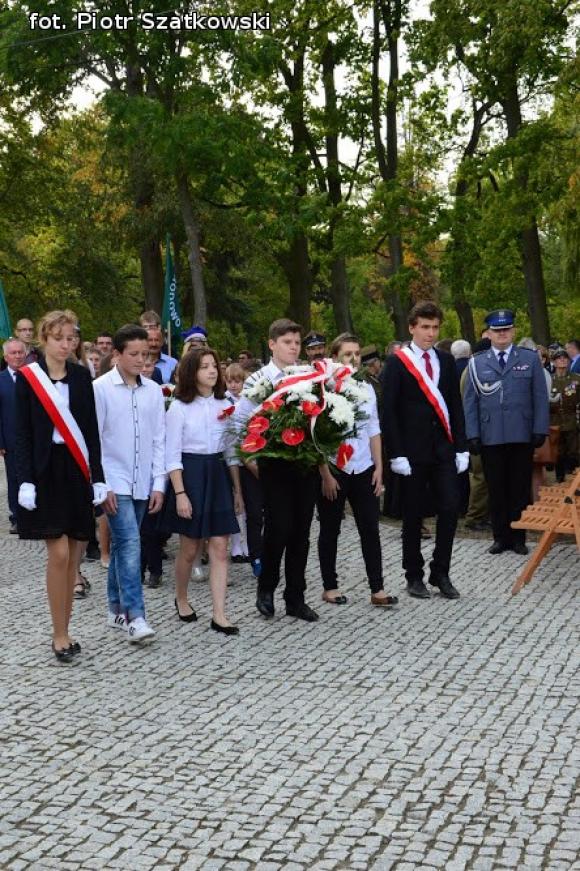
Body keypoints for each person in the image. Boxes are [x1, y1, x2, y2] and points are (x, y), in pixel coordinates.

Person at [14, 310, 107, 662]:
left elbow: (91, 431)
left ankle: (67, 628)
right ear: (44, 339)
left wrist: (97, 476)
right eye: (59, 338)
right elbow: (21, 432)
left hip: (76, 468)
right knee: (59, 553)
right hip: (44, 470)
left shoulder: (83, 378)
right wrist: (24, 480)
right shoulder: (28, 379)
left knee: (76, 554)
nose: (66, 345)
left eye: (71, 338)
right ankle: (58, 634)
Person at [382, 301, 468, 600]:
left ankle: (440, 571)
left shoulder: (445, 361)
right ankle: (413, 575)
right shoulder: (397, 363)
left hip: (443, 448)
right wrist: (396, 453)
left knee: (450, 507)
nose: (430, 333)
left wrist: (461, 446)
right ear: (412, 328)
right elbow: (388, 410)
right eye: (425, 327)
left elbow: (454, 405)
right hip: (412, 451)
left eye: (435, 327)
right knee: (413, 513)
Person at [235, 318, 320, 622]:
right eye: (287, 342)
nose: (293, 348)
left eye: (297, 343)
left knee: (301, 532)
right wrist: (250, 460)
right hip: (274, 464)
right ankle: (266, 588)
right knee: (278, 529)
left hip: (305, 464)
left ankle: (296, 597)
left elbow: (321, 419)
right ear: (272, 344)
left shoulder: (311, 376)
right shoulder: (258, 380)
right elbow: (241, 423)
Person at [93, 324, 166, 644]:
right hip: (114, 478)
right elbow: (93, 439)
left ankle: (114, 608)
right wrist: (100, 483)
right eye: (133, 354)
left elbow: (159, 439)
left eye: (145, 355)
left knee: (125, 544)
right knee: (132, 542)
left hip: (143, 479)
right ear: (117, 355)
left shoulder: (153, 391)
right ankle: (136, 616)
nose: (140, 360)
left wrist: (160, 483)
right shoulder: (100, 389)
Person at [165, 348, 243, 635]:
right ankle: (181, 597)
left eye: (214, 366)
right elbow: (172, 455)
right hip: (192, 476)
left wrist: (237, 490)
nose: (212, 371)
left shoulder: (226, 404)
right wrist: (180, 493)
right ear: (191, 372)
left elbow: (231, 451)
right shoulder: (179, 408)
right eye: (204, 366)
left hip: (218, 472)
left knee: (220, 547)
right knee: (189, 548)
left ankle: (219, 614)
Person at [318, 333, 398, 608]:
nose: (353, 359)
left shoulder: (366, 389)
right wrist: (325, 474)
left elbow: (373, 429)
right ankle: (330, 586)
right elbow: (316, 435)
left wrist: (379, 467)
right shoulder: (324, 388)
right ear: (334, 357)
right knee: (330, 529)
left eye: (356, 354)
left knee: (370, 528)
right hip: (334, 468)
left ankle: (377, 588)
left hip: (363, 466)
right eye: (346, 354)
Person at [463, 309, 550, 555]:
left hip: (522, 433)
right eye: (497, 330)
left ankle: (519, 537)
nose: (502, 334)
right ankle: (500, 537)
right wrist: (473, 434)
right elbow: (470, 402)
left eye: (506, 329)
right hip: (490, 435)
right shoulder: (477, 362)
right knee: (496, 487)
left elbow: (540, 398)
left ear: (513, 331)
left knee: (519, 487)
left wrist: (539, 429)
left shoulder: (530, 358)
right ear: (488, 333)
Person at [0, 339, 27, 532]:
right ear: (6, 356)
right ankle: (17, 517)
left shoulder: (33, 377)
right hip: (10, 439)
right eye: (13, 353)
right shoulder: (0, 379)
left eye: (20, 352)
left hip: (33, 439)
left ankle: (34, 514)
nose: (17, 356)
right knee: (14, 479)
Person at [224, 363, 250, 564]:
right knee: (235, 501)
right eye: (229, 381)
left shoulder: (248, 399)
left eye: (237, 381)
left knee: (248, 504)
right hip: (230, 456)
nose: (233, 385)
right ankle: (235, 546)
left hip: (247, 456)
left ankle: (248, 543)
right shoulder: (224, 401)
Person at [549, 349, 580, 482]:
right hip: (554, 420)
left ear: (569, 361)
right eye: (559, 358)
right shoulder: (548, 379)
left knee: (574, 451)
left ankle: (574, 477)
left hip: (571, 419)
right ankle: (559, 478)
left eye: (565, 358)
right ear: (554, 362)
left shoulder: (576, 378)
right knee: (557, 451)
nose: (562, 360)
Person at [140, 311, 178, 383]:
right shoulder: (136, 361)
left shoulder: (173, 363)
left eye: (157, 340)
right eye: (150, 340)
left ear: (162, 342)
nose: (153, 344)